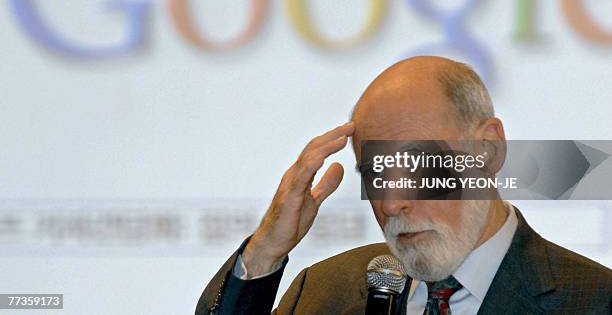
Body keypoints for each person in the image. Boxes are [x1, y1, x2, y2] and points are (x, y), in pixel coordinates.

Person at [195, 56, 612, 314]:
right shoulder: (323, 293)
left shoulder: (595, 300)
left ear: (488, 149)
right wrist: (266, 251)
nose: (392, 203)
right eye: (375, 174)